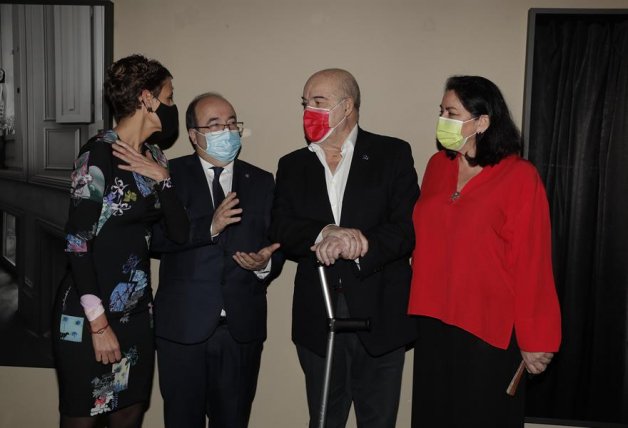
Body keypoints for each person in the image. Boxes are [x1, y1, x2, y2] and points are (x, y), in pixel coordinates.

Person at [408, 75, 562, 427]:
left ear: (482, 121)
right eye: (442, 111)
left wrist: (537, 337)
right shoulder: (437, 166)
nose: (442, 119)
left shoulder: (520, 177)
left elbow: (532, 262)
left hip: (488, 329)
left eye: (452, 112)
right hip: (433, 321)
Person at [270, 68, 420, 428]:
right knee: (324, 419)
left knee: (378, 420)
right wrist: (326, 231)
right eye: (305, 103)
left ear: (347, 106)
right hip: (318, 317)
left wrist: (363, 241)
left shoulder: (392, 153)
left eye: (319, 103)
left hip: (380, 312)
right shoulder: (292, 165)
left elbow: (406, 229)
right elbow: (281, 227)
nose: (309, 111)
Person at [52, 54, 189, 428]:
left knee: (128, 414)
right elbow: (77, 242)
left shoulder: (156, 156)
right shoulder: (98, 153)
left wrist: (165, 179)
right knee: (82, 418)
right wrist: (99, 325)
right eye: (170, 96)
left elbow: (178, 234)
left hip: (136, 314)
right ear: (147, 99)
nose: (173, 106)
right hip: (88, 313)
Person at [150, 92, 284, 428]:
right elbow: (155, 238)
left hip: (240, 331)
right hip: (182, 329)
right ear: (194, 135)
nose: (227, 131)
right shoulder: (168, 175)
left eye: (231, 123)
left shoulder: (262, 181)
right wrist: (208, 226)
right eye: (214, 124)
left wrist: (265, 264)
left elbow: (277, 244)